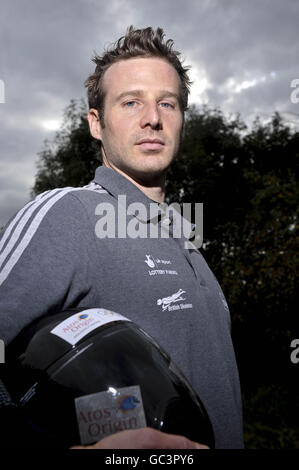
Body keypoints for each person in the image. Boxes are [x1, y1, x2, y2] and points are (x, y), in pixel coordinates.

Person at [0, 26, 244, 449]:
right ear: (96, 123)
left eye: (167, 103)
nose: (152, 117)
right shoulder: (69, 213)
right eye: (130, 102)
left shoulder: (186, 238)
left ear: (181, 119)